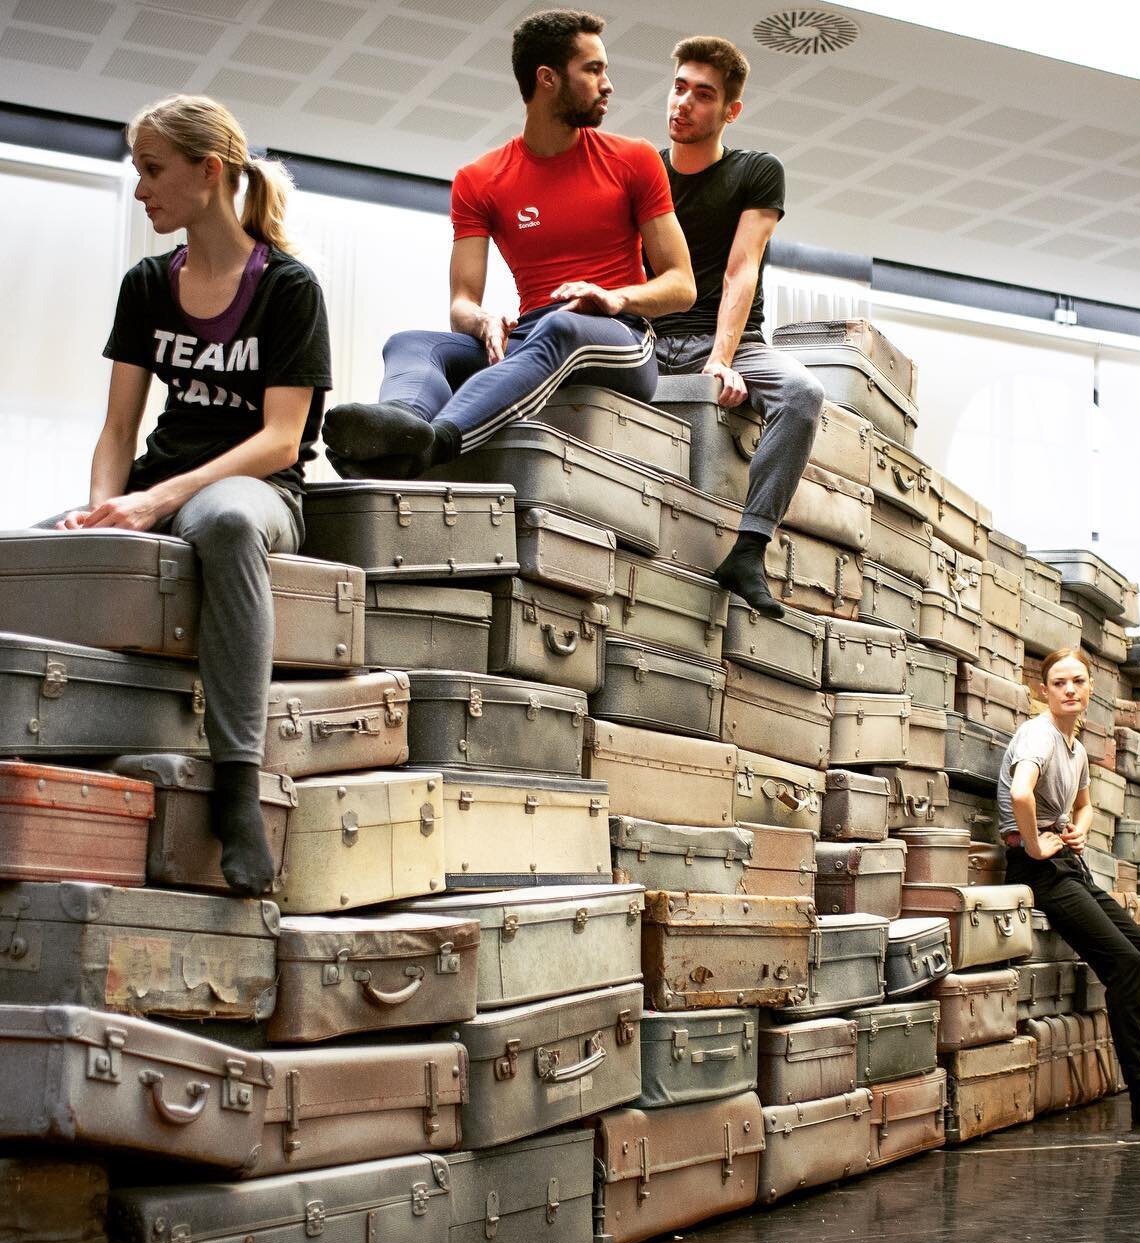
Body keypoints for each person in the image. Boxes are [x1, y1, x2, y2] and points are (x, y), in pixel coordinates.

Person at [51, 94, 330, 897]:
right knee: (30, 547)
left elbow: (282, 439)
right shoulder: (147, 283)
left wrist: (150, 502)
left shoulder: (288, 288)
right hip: (160, 484)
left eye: (152, 170)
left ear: (209, 173)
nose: (140, 189)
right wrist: (102, 514)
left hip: (256, 488)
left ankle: (237, 787)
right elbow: (116, 431)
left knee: (229, 523)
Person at [321, 8, 694, 480]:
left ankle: (433, 446)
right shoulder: (480, 179)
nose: (608, 84)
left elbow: (682, 284)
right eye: (593, 69)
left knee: (562, 329)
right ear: (548, 78)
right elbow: (461, 304)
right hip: (530, 334)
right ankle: (400, 426)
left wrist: (615, 297)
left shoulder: (634, 159)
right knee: (410, 342)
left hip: (621, 336)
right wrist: (482, 321)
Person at [651, 35, 825, 618]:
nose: (684, 104)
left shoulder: (756, 171)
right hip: (649, 338)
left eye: (703, 95)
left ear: (730, 110)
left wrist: (721, 358)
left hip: (734, 341)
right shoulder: (642, 172)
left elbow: (739, 269)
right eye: (679, 88)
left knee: (802, 393)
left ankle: (748, 551)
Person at [999, 647, 1140, 1129]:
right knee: (1123, 963)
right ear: (1043, 690)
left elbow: (1084, 805)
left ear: (1089, 689)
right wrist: (1033, 845)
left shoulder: (1076, 748)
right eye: (1059, 682)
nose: (1069, 690)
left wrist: (1079, 828)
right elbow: (1021, 792)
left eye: (1078, 682)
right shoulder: (1038, 735)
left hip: (1068, 865)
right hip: (1037, 870)